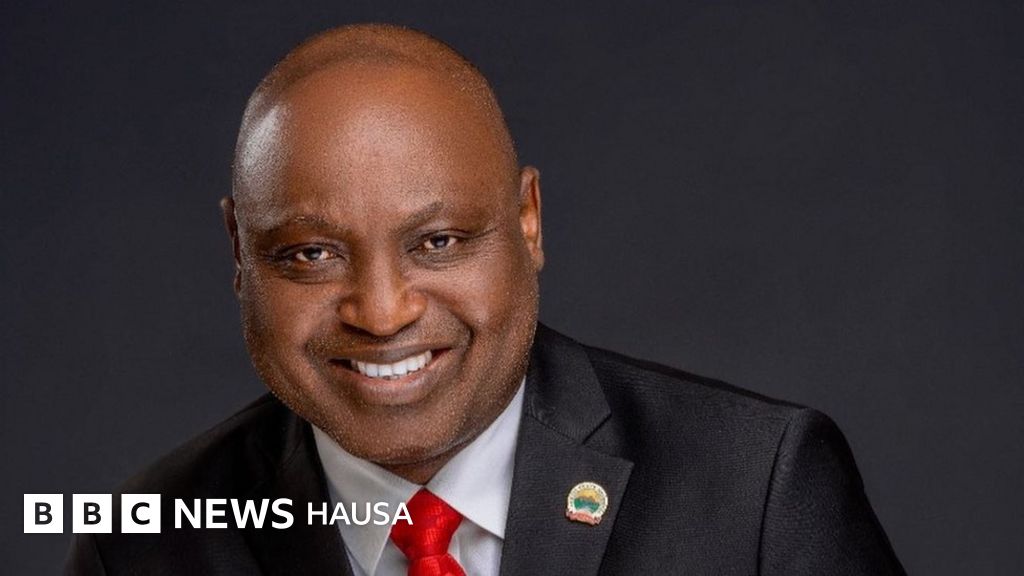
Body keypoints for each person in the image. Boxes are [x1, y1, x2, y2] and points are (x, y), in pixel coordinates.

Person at [66, 23, 905, 575]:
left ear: (528, 222)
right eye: (311, 254)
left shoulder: (757, 490)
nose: (383, 312)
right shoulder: (141, 545)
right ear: (239, 254)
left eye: (438, 242)